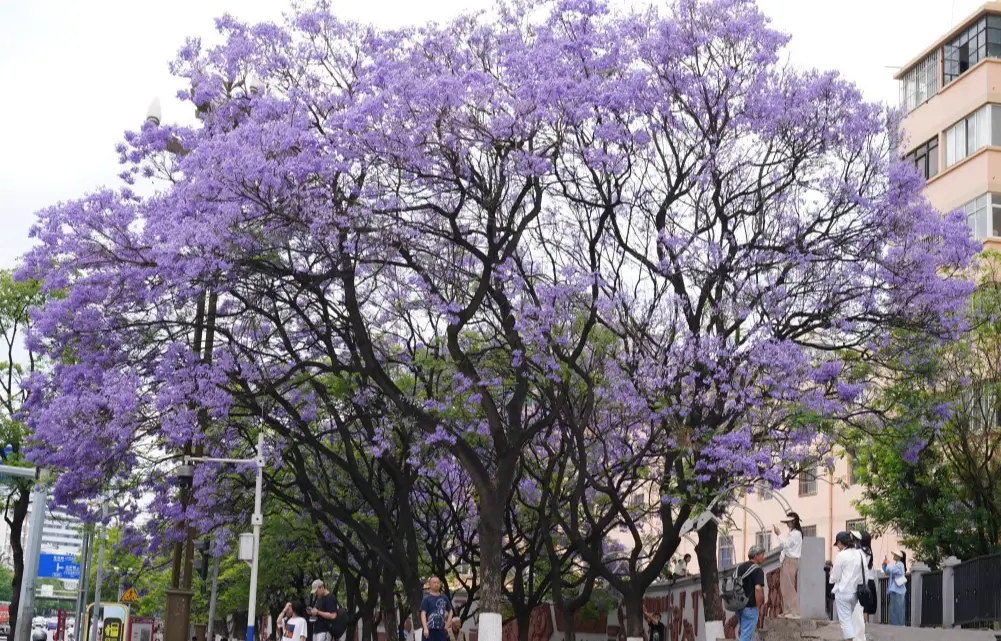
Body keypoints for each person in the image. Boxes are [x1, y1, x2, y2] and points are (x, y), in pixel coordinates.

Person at [830, 531, 865, 641]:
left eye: (837, 544)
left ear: (840, 542)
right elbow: (863, 575)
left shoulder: (841, 555)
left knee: (845, 622)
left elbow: (835, 577)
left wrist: (831, 573)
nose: (838, 547)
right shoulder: (860, 554)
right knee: (851, 620)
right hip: (855, 592)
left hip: (843, 592)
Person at [772, 511, 803, 618]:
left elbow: (785, 544)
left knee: (788, 587)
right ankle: (787, 611)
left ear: (793, 521)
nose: (787, 524)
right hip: (787, 561)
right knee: (785, 587)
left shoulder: (796, 534)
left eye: (788, 522)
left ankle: (794, 612)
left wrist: (779, 534)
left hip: (790, 560)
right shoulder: (793, 533)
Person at [735, 545, 766, 641]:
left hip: (738, 606)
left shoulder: (739, 568)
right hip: (750, 607)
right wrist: (758, 606)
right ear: (756, 556)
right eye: (762, 555)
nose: (764, 557)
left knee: (745, 634)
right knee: (745, 637)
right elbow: (758, 589)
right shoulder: (757, 570)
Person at [850, 531, 876, 641]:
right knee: (865, 607)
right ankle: (865, 626)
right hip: (870, 581)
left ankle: (860, 632)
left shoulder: (859, 552)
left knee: (860, 607)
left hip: (862, 583)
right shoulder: (869, 551)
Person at [882, 551, 907, 626]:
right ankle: (895, 624)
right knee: (894, 608)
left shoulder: (900, 564)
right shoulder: (896, 564)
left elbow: (892, 570)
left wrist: (887, 564)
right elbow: (887, 571)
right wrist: (885, 564)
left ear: (899, 557)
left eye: (895, 555)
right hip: (895, 589)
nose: (894, 556)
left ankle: (899, 624)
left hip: (898, 590)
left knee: (898, 609)